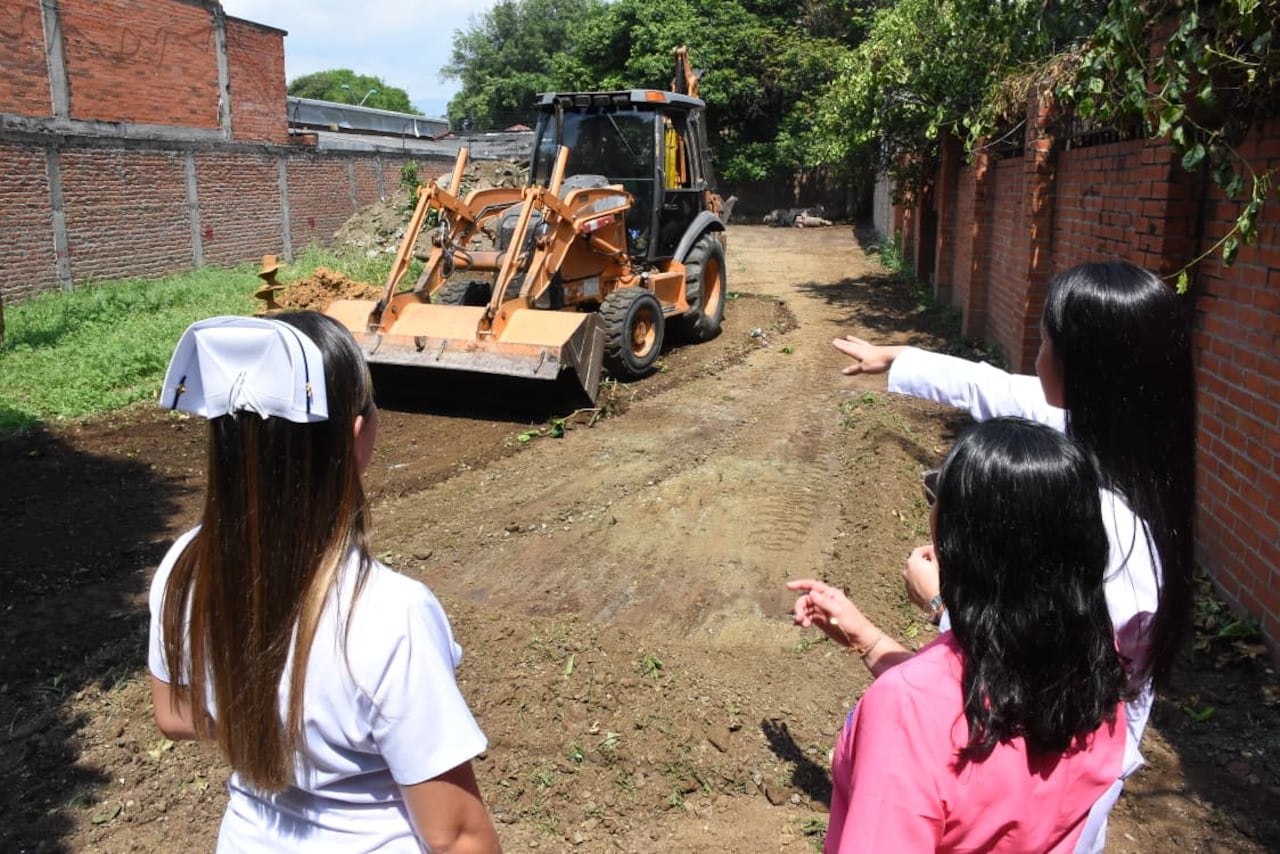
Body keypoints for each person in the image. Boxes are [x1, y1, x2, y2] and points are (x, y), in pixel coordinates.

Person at [818, 260, 1195, 850]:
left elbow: (1027, 675)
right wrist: (899, 358)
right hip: (1047, 799)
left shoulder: (1113, 540)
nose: (1033, 359)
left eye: (1044, 340)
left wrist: (944, 602)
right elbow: (994, 388)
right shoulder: (1125, 450)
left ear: (1082, 366)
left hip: (1036, 789)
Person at [147, 312, 502, 853]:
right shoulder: (388, 614)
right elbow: (455, 836)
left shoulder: (185, 566)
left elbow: (174, 714)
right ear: (357, 436)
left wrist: (265, 723)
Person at [794, 418, 1129, 852]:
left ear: (962, 540)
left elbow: (935, 714)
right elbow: (980, 705)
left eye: (937, 498)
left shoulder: (906, 709)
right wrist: (868, 640)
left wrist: (930, 623)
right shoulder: (1094, 658)